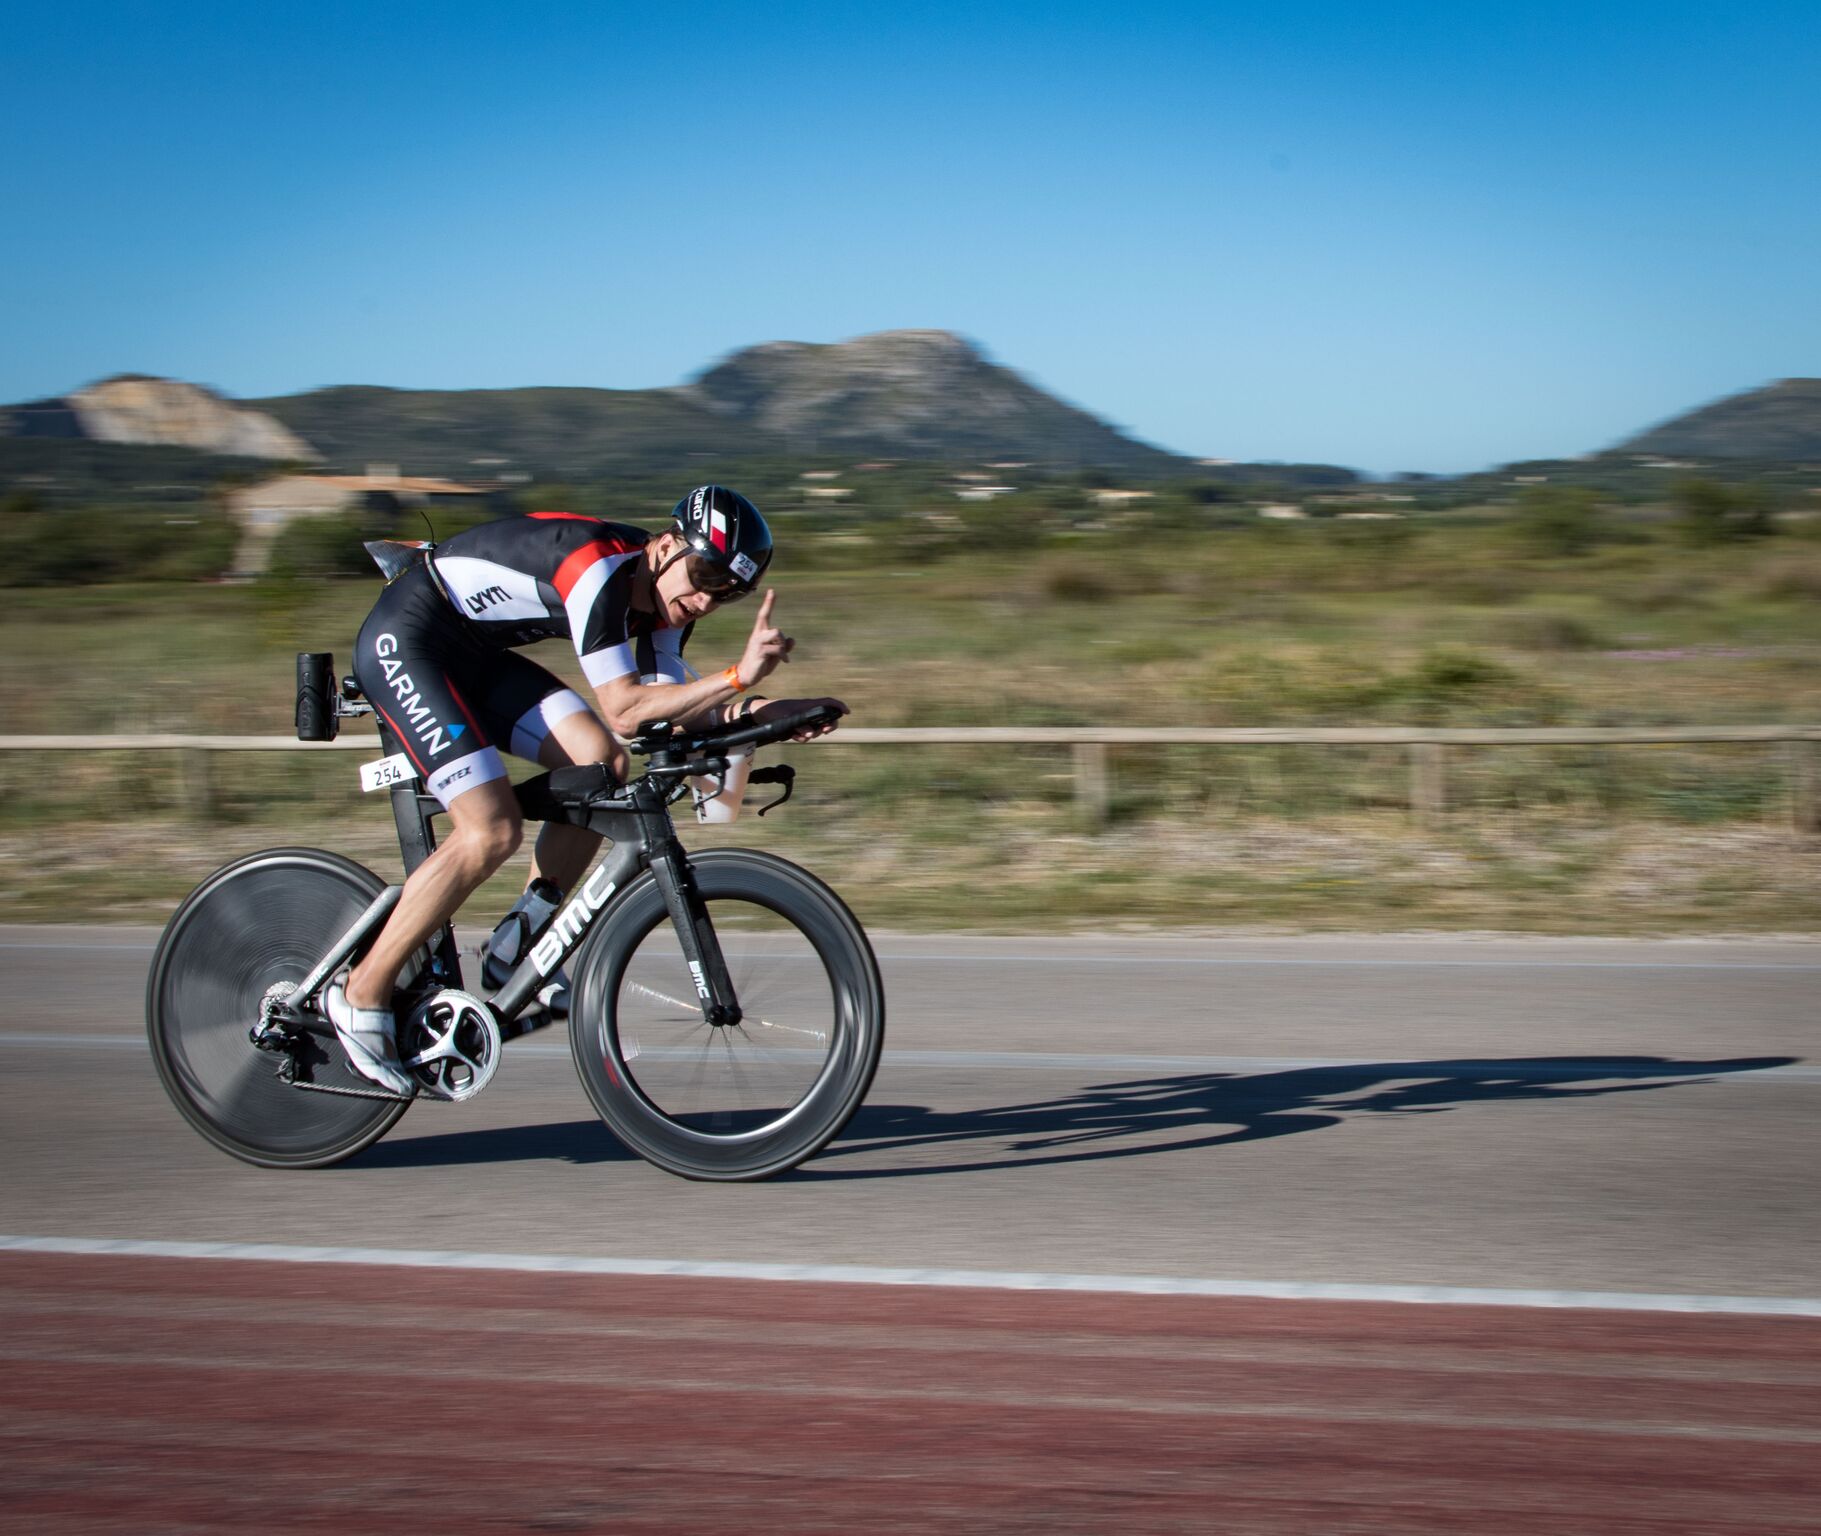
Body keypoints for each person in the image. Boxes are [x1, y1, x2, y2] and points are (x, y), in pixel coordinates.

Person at [325, 484, 846, 1093]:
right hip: (409, 639)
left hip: (474, 656)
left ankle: (520, 940)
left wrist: (776, 711)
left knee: (601, 766)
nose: (705, 599)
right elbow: (627, 711)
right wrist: (736, 676)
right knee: (490, 829)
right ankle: (361, 994)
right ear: (669, 544)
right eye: (703, 573)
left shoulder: (665, 606)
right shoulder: (599, 569)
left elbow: (673, 710)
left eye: (726, 593)